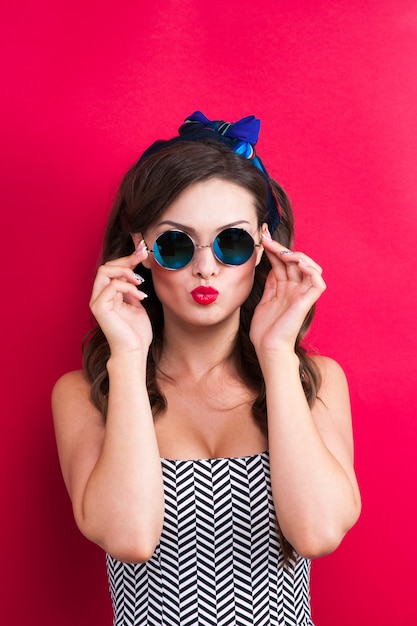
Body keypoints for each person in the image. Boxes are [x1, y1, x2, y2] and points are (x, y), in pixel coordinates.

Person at [52, 111, 361, 626]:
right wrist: (127, 357)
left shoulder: (317, 380)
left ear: (264, 252)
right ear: (140, 253)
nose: (206, 267)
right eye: (175, 243)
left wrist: (277, 352)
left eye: (231, 242)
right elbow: (128, 538)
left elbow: (318, 532)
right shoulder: (86, 393)